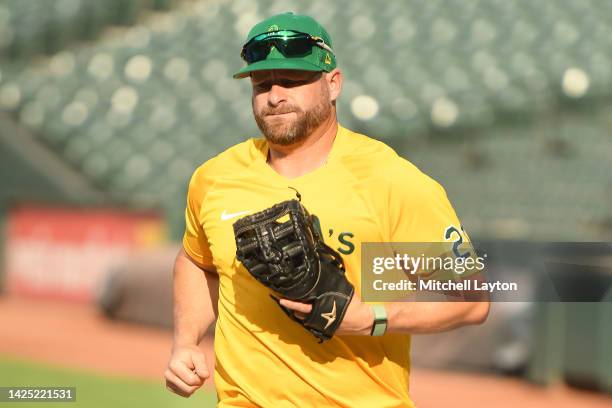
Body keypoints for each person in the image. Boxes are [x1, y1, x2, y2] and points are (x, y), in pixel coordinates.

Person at [165, 12, 489, 407]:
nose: (275, 95)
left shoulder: (389, 180)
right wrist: (185, 342)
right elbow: (197, 261)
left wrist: (372, 319)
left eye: (293, 80)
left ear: (333, 84)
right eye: (262, 83)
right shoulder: (216, 177)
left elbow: (471, 299)